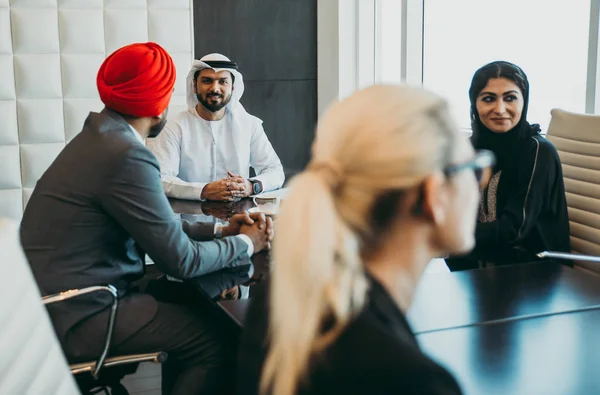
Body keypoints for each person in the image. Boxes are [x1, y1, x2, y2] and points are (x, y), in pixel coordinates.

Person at [20, 42, 273, 394]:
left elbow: (155, 226)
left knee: (191, 303)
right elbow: (182, 259)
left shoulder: (100, 138)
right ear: (158, 103)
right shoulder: (127, 156)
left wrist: (220, 228)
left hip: (57, 304)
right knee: (219, 343)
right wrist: (246, 242)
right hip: (82, 313)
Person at [237, 84, 495, 394]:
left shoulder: (280, 302)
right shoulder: (414, 381)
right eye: (474, 168)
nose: (481, 180)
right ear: (434, 193)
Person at [445, 61, 570, 271]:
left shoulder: (538, 151)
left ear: (524, 101)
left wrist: (448, 232)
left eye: (510, 98)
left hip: (533, 274)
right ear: (474, 104)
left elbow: (513, 231)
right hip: (482, 265)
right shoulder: (470, 150)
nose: (500, 109)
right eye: (488, 99)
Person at [148, 53, 285, 202]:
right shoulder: (175, 126)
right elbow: (160, 179)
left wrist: (252, 186)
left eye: (222, 81)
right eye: (207, 81)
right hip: (188, 221)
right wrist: (203, 190)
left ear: (232, 87)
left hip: (240, 221)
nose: (215, 88)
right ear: (194, 86)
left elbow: (275, 171)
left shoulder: (249, 125)